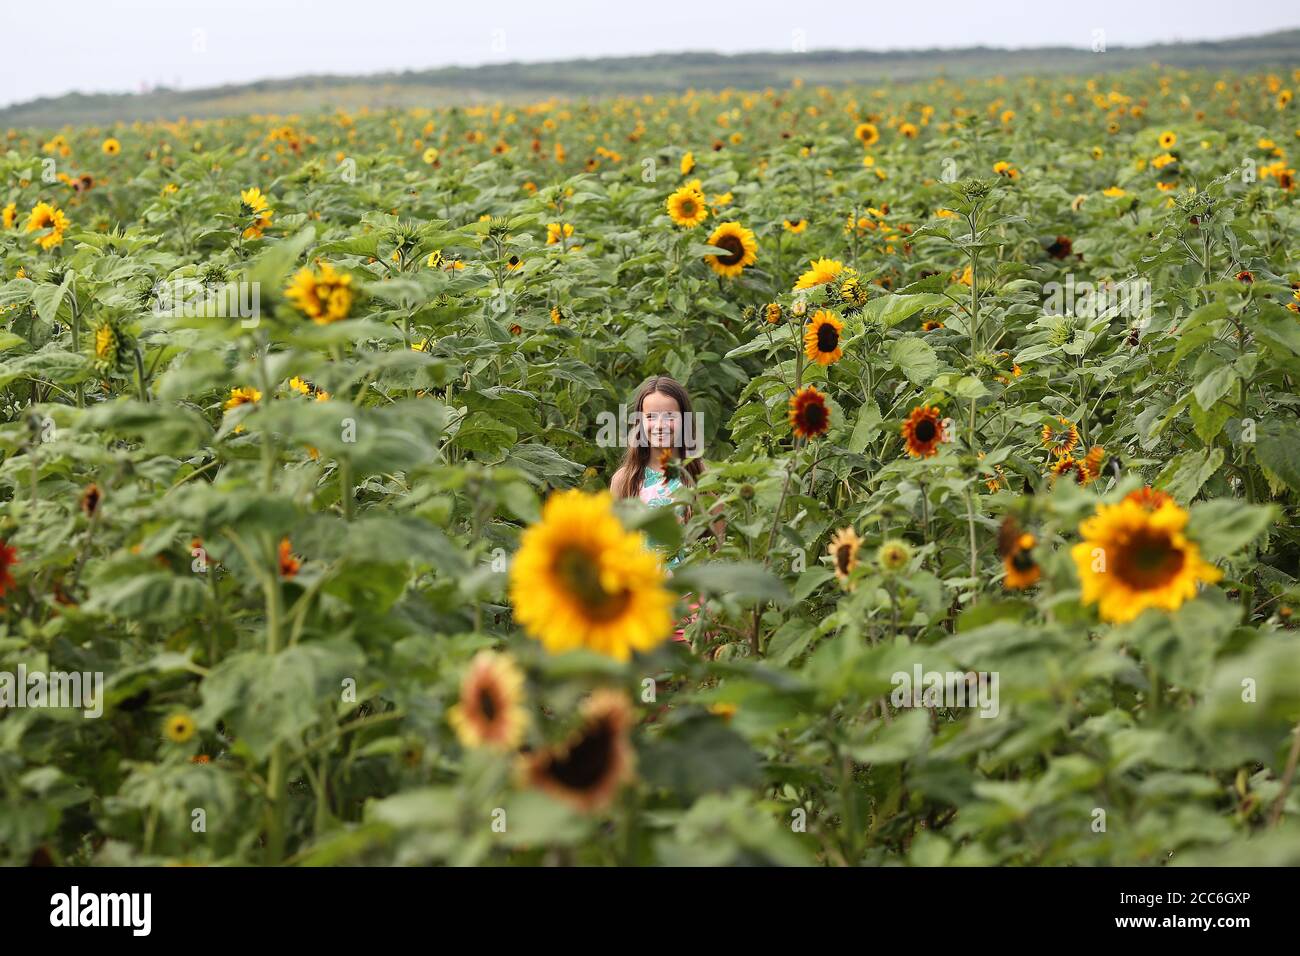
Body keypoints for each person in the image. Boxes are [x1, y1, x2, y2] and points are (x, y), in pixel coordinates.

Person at [609, 375, 721, 644]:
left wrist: (712, 610)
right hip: (642, 608)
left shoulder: (701, 476)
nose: (660, 425)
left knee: (695, 681)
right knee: (649, 682)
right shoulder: (625, 480)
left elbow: (718, 547)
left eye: (669, 416)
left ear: (684, 421)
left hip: (692, 607)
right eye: (651, 417)